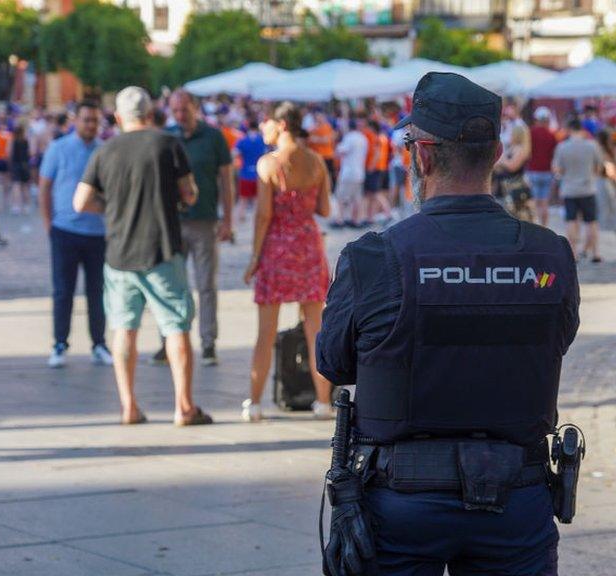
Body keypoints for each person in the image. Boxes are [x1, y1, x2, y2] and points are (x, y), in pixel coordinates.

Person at [317, 72, 580, 576]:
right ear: (498, 151)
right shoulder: (549, 253)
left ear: (424, 154)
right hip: (517, 498)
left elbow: (333, 362)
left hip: (400, 502)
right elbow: (557, 340)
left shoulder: (374, 255)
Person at [73, 86, 213, 427]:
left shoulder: (105, 151)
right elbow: (189, 193)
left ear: (119, 118)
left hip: (119, 252)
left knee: (124, 329)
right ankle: (183, 406)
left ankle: (129, 406)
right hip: (161, 248)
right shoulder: (168, 144)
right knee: (176, 326)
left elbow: (80, 202)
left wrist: (112, 208)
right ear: (150, 114)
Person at [242, 103, 333, 422]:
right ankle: (324, 402)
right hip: (308, 246)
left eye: (266, 123)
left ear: (281, 125)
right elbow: (325, 209)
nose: (262, 129)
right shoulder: (317, 161)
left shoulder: (269, 164)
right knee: (316, 330)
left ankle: (254, 403)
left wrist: (254, 258)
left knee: (265, 331)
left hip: (276, 249)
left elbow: (264, 215)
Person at [153, 90, 234, 367]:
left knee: (205, 284)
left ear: (195, 108)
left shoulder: (213, 137)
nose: (179, 116)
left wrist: (228, 219)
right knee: (170, 283)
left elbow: (226, 179)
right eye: (175, 111)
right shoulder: (167, 136)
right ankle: (167, 340)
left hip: (204, 219)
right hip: (172, 221)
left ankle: (208, 341)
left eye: (184, 110)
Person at [39, 101, 112, 369]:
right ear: (75, 120)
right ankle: (60, 343)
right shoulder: (59, 149)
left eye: (95, 121)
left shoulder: (104, 151)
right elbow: (44, 186)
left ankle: (99, 343)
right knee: (63, 291)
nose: (90, 125)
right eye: (86, 120)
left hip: (96, 232)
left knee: (98, 291)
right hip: (65, 231)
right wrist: (49, 224)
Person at [552, 117, 605, 262]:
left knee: (571, 221)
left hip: (569, 189)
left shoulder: (562, 147)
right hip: (588, 188)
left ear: (569, 130)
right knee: (592, 222)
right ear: (582, 129)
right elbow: (599, 167)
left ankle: (573, 253)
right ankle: (596, 253)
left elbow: (557, 169)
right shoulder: (592, 145)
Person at [331, 119, 367, 228]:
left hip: (348, 172)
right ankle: (356, 220)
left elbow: (340, 152)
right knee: (357, 198)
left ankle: (339, 220)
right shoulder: (363, 138)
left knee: (341, 197)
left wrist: (336, 143)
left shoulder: (349, 137)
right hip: (359, 172)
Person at [494, 122, 533, 221]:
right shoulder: (513, 148)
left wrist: (501, 161)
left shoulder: (520, 149)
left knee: (515, 214)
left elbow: (512, 166)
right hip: (505, 185)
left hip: (513, 186)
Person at [526, 107, 558, 227]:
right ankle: (544, 227)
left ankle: (534, 226)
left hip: (533, 171)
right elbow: (554, 154)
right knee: (544, 202)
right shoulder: (552, 135)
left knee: (533, 201)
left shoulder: (530, 132)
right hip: (547, 172)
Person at [234, 119, 266, 221]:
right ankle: (257, 217)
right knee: (257, 199)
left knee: (243, 199)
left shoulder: (243, 140)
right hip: (259, 174)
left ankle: (241, 216)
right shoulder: (262, 140)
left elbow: (234, 153)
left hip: (245, 173)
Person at [8, 124, 32, 215]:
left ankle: (16, 206)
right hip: (25, 165)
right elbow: (30, 152)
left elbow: (9, 153)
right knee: (25, 186)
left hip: (15, 165)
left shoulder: (12, 141)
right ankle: (26, 206)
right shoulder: (26, 141)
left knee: (16, 186)